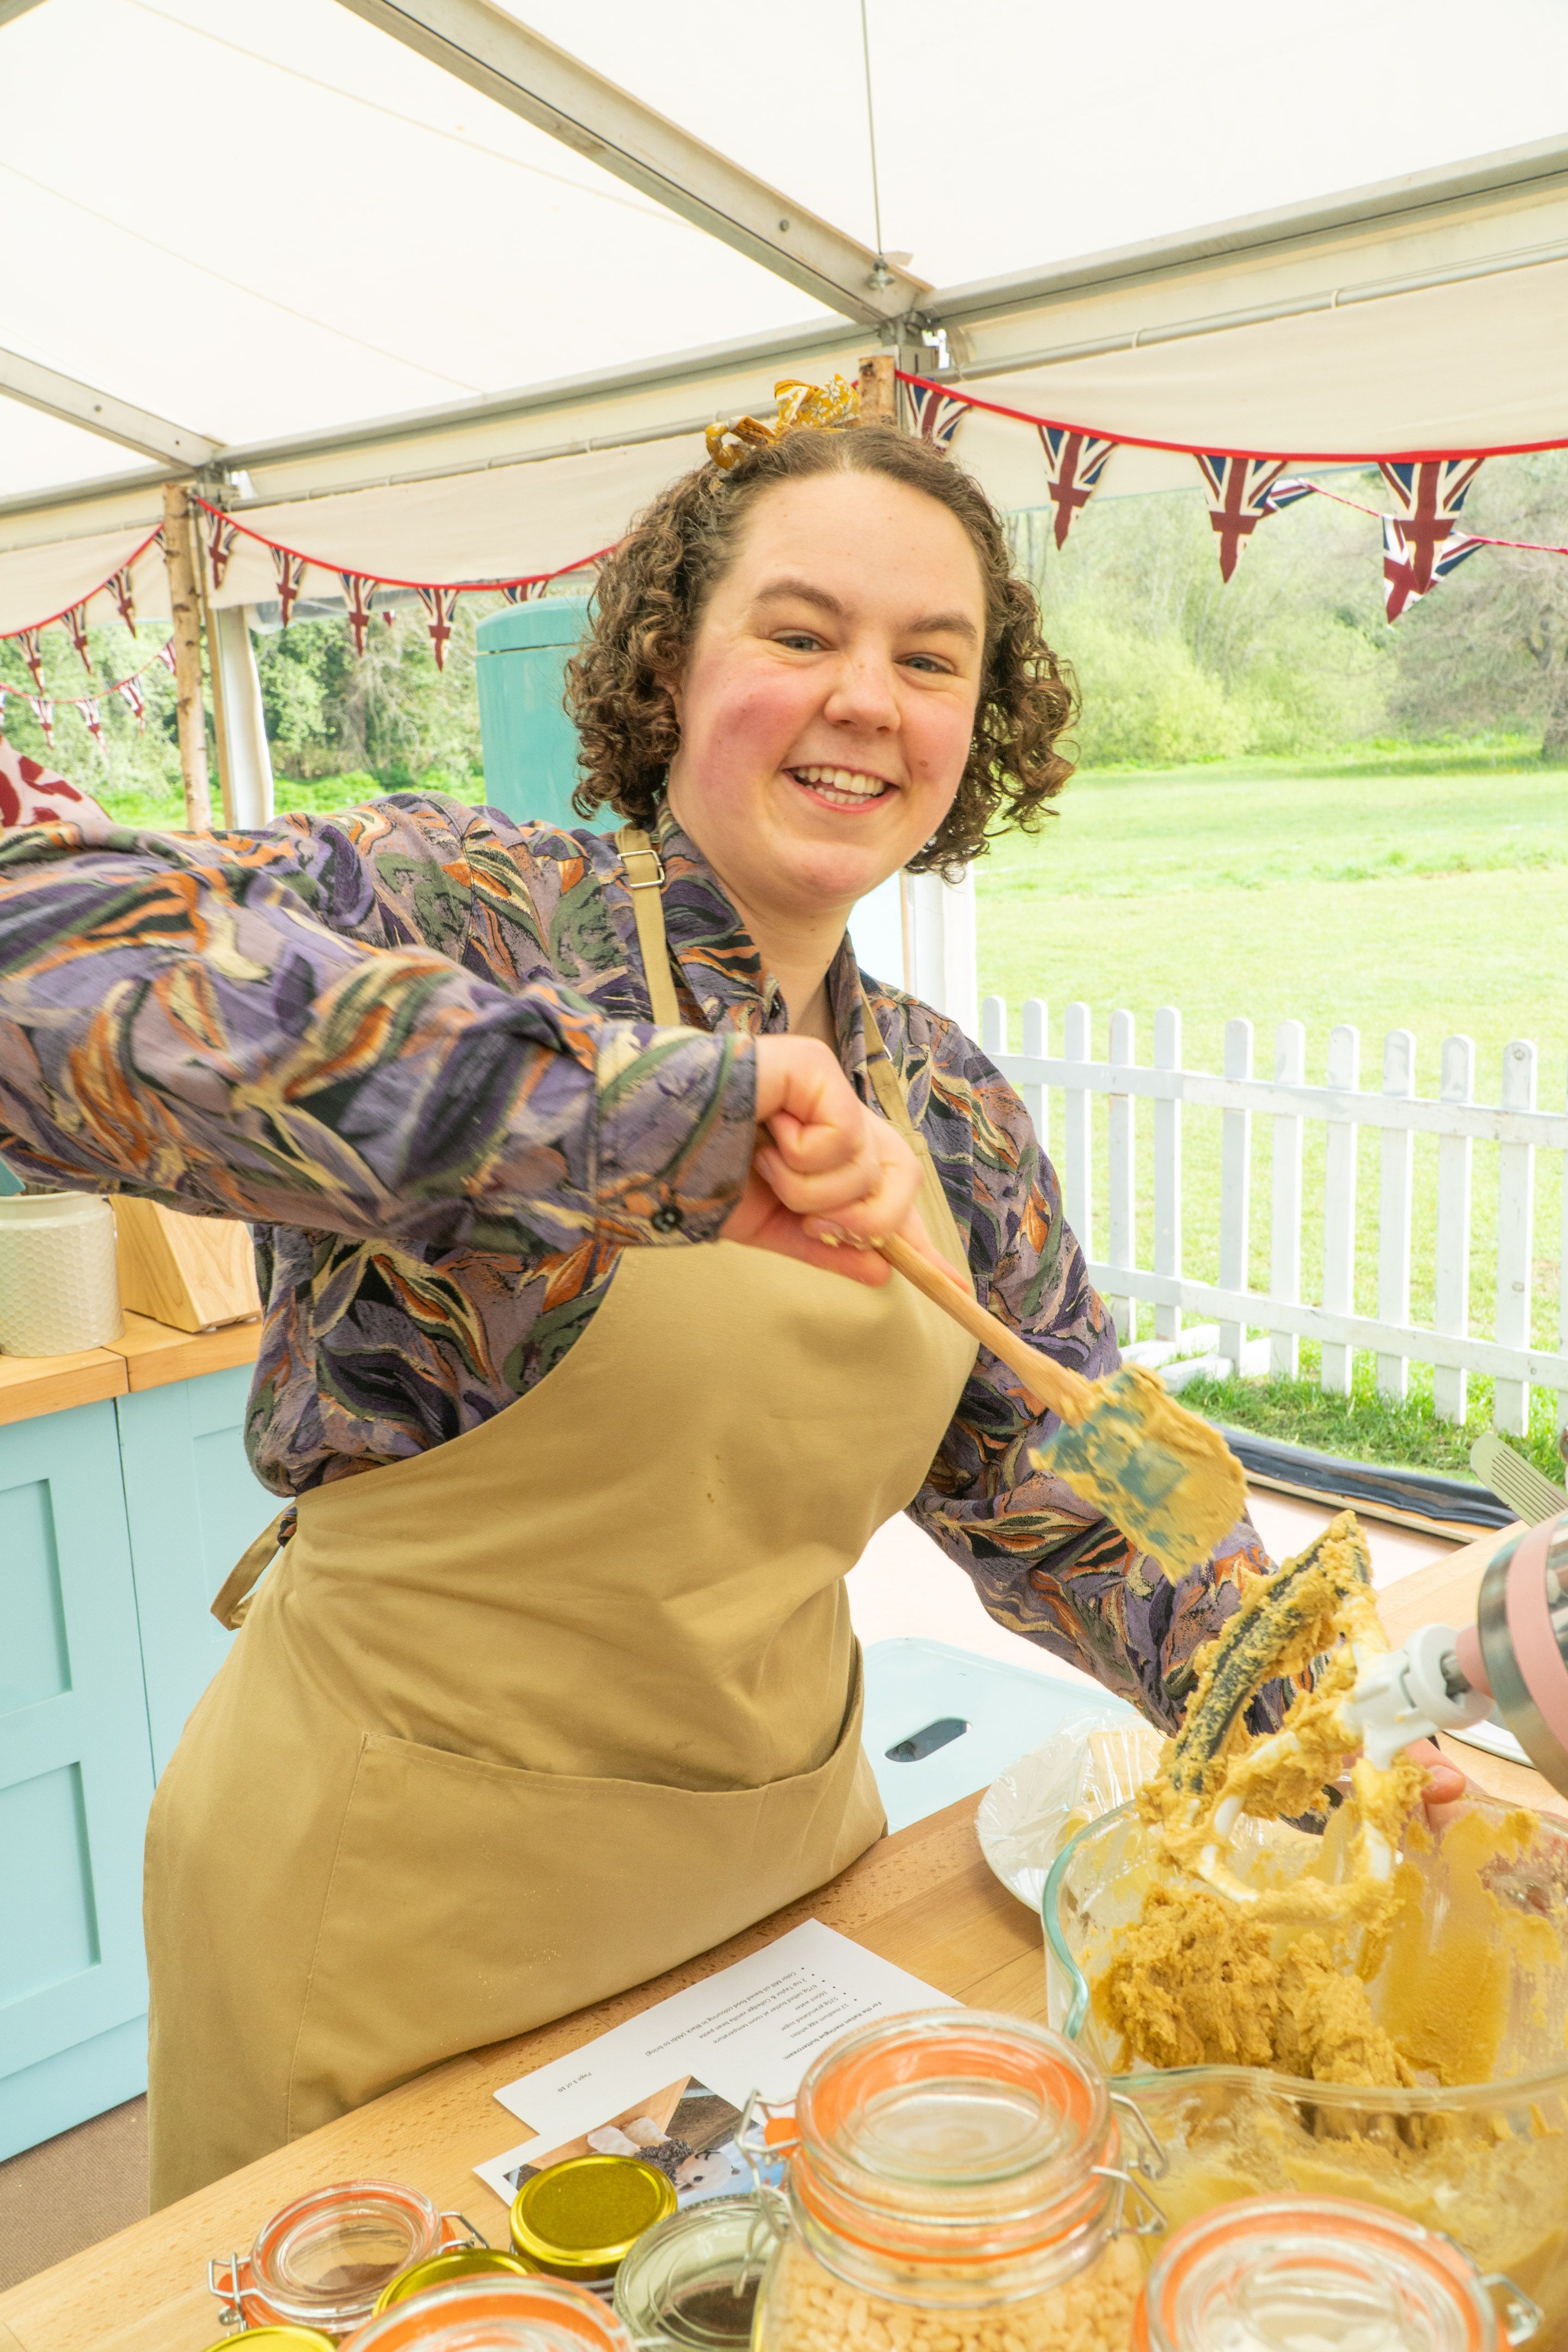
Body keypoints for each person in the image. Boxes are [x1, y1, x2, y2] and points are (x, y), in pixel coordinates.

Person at [0, 400, 1457, 2208]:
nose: (870, 698)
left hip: (786, 1895)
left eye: (934, 660)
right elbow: (38, 954)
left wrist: (1338, 1723)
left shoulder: (949, 1104)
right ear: (666, 670)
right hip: (386, 1898)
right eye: (799, 633)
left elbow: (1088, 1482)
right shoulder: (465, 911)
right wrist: (655, 1120)